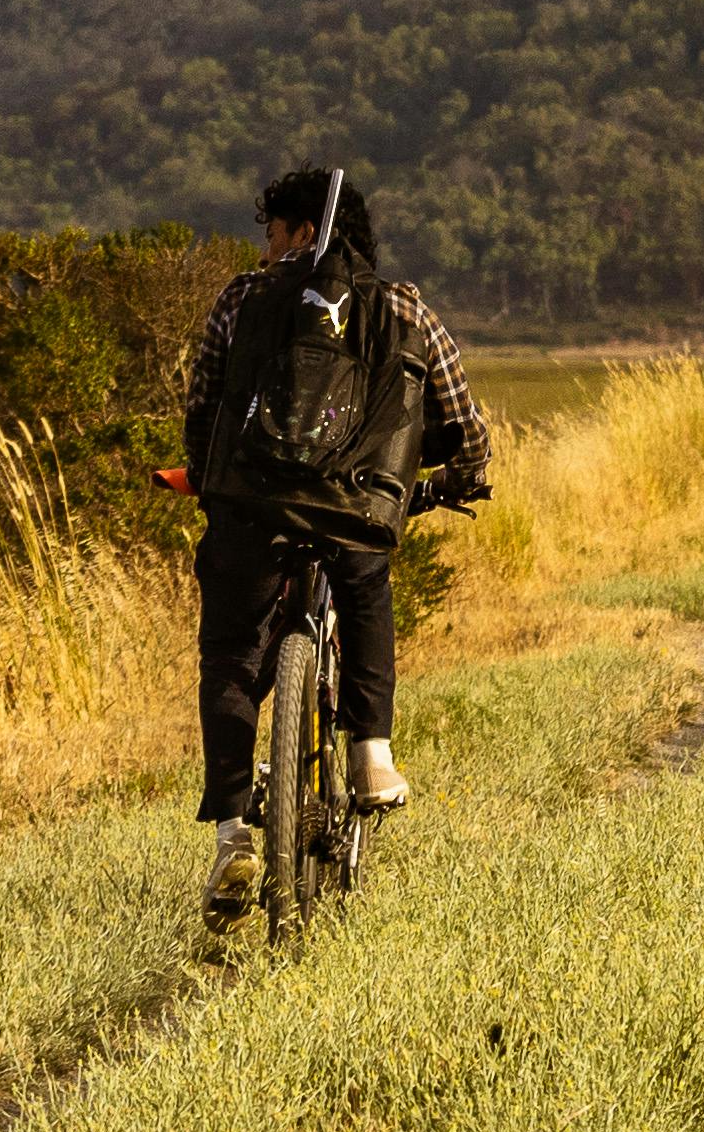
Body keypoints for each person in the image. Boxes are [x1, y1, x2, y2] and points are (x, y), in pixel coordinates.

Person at [182, 163, 491, 922]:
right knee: (364, 582)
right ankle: (372, 755)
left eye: (272, 235)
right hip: (355, 510)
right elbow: (464, 425)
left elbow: (201, 405)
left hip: (251, 511)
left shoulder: (241, 301)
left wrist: (208, 478)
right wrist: (454, 481)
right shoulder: (406, 310)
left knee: (229, 656)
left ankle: (231, 833)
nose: (263, 253)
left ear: (305, 234)